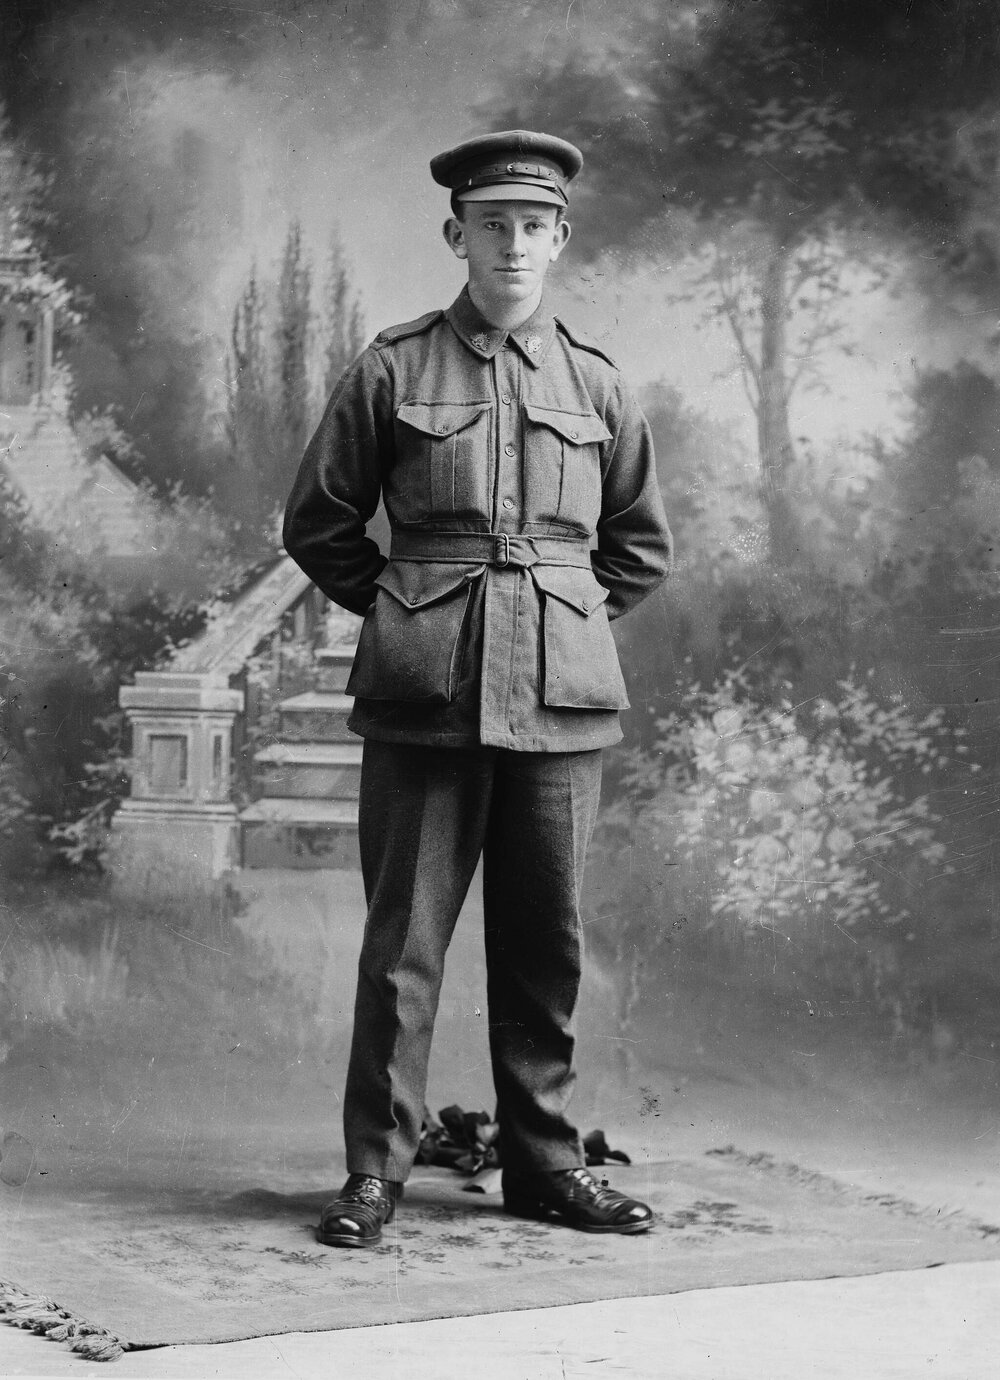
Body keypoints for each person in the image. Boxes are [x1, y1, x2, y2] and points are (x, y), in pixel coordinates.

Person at [282, 129, 672, 1247]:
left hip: (560, 703)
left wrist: (560, 618)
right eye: (490, 224)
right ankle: (374, 1174)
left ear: (559, 240)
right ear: (457, 237)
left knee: (545, 942)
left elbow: (639, 549)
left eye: (531, 225)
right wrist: (408, 610)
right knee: (403, 945)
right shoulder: (392, 368)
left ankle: (544, 1165)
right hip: (426, 697)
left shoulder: (597, 382)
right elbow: (319, 521)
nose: (512, 244)